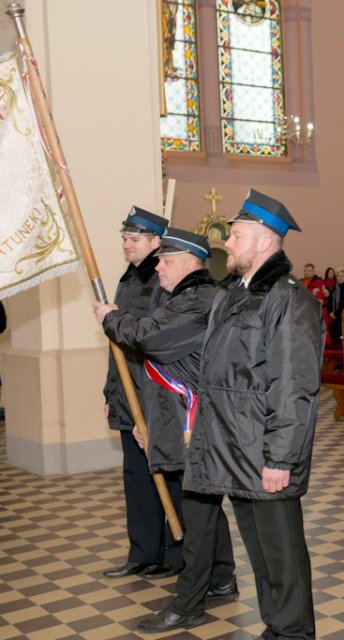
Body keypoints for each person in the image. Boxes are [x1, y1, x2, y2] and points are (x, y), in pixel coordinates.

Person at [185, 189, 324, 640]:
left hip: (266, 451)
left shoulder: (288, 298)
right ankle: (276, 627)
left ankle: (294, 632)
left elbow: (294, 385)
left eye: (237, 235)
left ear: (264, 242)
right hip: (236, 448)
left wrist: (280, 458)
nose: (227, 242)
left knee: (283, 556)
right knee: (261, 556)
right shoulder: (235, 293)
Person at [94, 229, 238, 633]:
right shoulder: (183, 298)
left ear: (192, 263)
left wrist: (110, 317)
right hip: (180, 423)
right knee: (203, 510)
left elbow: (147, 337)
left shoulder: (198, 302)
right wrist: (151, 427)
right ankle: (223, 578)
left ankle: (188, 603)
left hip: (198, 425)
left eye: (166, 260)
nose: (158, 266)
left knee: (197, 513)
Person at [100, 207, 180, 580]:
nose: (126, 245)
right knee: (136, 474)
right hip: (126, 392)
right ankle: (143, 552)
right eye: (125, 239)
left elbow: (156, 343)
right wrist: (110, 392)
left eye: (133, 239)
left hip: (152, 395)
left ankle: (175, 554)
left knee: (165, 472)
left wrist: (150, 405)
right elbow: (116, 346)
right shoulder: (128, 279)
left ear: (155, 242)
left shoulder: (163, 280)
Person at [327, 267, 344, 344]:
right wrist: (330, 312)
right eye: (338, 276)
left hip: (343, 315)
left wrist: (335, 313)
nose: (340, 278)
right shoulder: (335, 286)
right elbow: (330, 300)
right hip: (334, 315)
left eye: (342, 276)